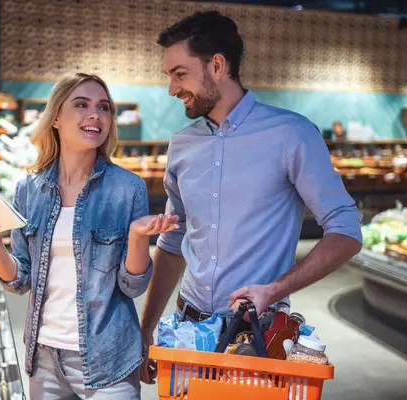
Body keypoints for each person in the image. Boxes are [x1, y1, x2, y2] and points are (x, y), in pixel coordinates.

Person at [140, 11, 363, 384]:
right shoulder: (182, 144)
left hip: (254, 340)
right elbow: (173, 241)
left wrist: (276, 289)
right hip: (185, 334)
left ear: (217, 65)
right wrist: (146, 329)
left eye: (179, 74)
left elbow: (347, 230)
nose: (172, 89)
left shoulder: (292, 135)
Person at [0, 73, 177, 399]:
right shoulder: (29, 189)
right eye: (81, 104)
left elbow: (132, 285)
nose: (96, 114)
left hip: (109, 357)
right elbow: (19, 280)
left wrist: (137, 238)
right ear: (55, 119)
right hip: (45, 357)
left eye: (104, 108)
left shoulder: (127, 188)